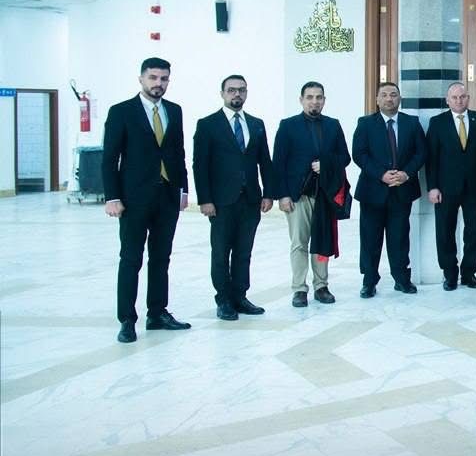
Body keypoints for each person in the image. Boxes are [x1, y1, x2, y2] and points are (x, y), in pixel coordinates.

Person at [102, 57, 191, 343]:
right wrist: (112, 197)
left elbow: (178, 153)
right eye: (153, 78)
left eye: (163, 78)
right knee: (131, 258)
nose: (158, 83)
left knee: (161, 258)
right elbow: (109, 158)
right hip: (134, 199)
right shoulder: (121, 112)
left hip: (167, 197)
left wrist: (183, 190)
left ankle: (157, 313)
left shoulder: (174, 110)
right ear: (141, 79)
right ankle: (127, 320)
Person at [192, 74, 274, 321]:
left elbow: (265, 161)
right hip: (221, 201)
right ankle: (224, 299)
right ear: (222, 94)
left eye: (241, 90)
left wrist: (269, 193)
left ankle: (240, 296)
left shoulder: (256, 124)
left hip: (250, 199)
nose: (237, 94)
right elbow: (200, 165)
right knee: (220, 252)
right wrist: (205, 199)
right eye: (231, 90)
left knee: (243, 251)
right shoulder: (208, 124)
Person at [273, 81, 351, 307]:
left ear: (324, 100)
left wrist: (326, 163)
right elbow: (278, 163)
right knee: (299, 243)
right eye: (310, 97)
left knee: (322, 240)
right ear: (301, 100)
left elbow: (345, 157)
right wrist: (282, 195)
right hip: (298, 195)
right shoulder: (288, 126)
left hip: (324, 194)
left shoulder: (333, 125)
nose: (314, 101)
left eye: (319, 97)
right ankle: (299, 289)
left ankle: (321, 286)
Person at [352, 82, 426, 299]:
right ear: (377, 100)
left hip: (402, 190)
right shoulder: (365, 124)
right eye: (384, 95)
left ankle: (401, 279)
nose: (389, 98)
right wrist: (381, 174)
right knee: (370, 239)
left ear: (399, 98)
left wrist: (406, 173)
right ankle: (369, 281)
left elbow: (421, 153)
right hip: (372, 191)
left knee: (399, 237)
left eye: (393, 94)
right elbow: (359, 154)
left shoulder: (412, 123)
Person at [425, 82, 476, 290]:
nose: (459, 101)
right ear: (447, 100)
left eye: (463, 97)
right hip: (445, 188)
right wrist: (432, 187)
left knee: (475, 230)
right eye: (455, 97)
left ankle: (469, 273)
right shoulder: (437, 122)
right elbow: (431, 158)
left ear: (468, 98)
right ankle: (449, 274)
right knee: (445, 231)